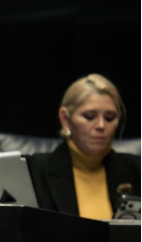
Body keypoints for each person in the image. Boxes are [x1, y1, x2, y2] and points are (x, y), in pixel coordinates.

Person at [27, 73, 140, 219]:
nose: (101, 125)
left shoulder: (137, 170)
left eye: (109, 118)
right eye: (89, 116)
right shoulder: (34, 171)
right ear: (65, 119)